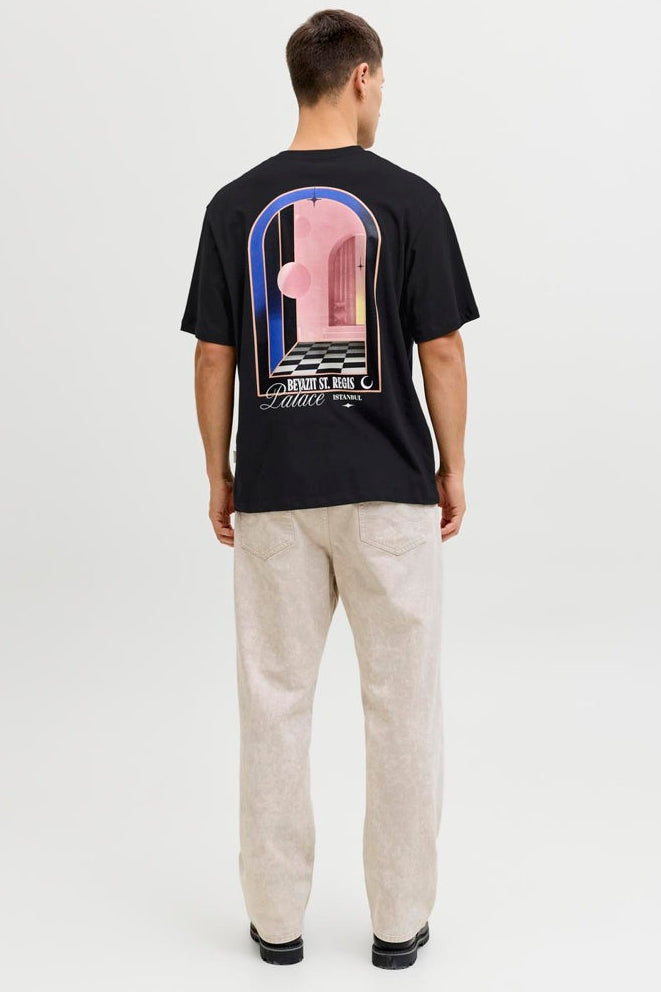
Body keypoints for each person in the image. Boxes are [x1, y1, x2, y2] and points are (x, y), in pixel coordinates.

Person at [180, 8, 479, 970]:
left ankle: (275, 924)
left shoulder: (234, 204)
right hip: (389, 489)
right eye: (381, 81)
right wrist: (451, 464)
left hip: (274, 492)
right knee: (402, 708)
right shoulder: (409, 199)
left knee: (274, 705)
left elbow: (215, 356)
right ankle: (398, 924)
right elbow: (441, 348)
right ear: (359, 77)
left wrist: (219, 472)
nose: (382, 96)